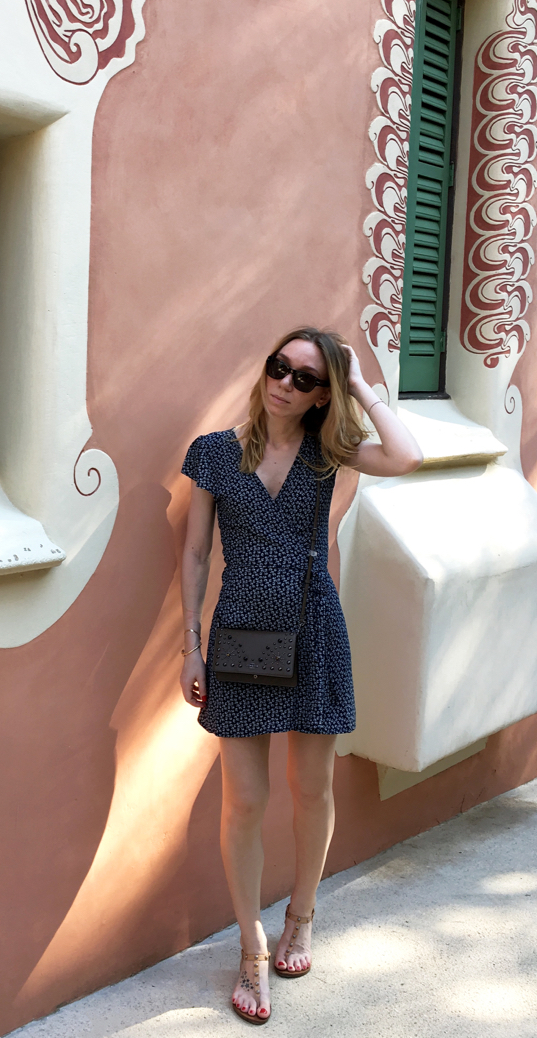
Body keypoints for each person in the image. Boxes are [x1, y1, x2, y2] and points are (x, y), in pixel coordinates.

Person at [179, 327, 422, 1025]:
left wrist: (361, 384)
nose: (284, 383)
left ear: (322, 395)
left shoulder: (329, 450)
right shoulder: (214, 453)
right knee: (244, 802)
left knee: (311, 789)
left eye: (306, 378)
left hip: (313, 629)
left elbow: (406, 456)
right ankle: (251, 945)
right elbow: (195, 556)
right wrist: (190, 647)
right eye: (278, 367)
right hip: (240, 637)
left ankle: (302, 917)